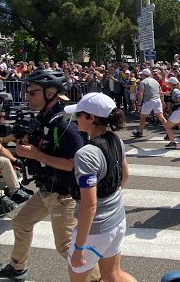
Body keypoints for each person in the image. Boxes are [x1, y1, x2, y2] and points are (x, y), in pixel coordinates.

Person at [0, 69, 102, 282]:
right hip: (46, 190)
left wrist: (36, 153)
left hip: (63, 195)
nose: (27, 97)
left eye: (32, 93)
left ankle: (97, 280)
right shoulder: (46, 118)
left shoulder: (65, 124)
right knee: (21, 223)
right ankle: (17, 267)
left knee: (67, 248)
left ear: (50, 93)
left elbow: (73, 164)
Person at [64, 93, 136, 282]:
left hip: (95, 230)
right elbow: (125, 174)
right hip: (117, 219)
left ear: (91, 118)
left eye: (79, 114)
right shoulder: (116, 140)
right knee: (113, 275)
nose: (75, 119)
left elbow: (89, 205)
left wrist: (79, 248)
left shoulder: (86, 154)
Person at [132, 69, 168, 138]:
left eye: (142, 75)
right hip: (157, 100)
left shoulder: (143, 82)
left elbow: (141, 93)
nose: (141, 76)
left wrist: (139, 103)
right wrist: (162, 101)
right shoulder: (156, 81)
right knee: (161, 117)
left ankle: (140, 132)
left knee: (143, 117)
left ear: (144, 75)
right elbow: (160, 92)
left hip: (148, 101)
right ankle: (169, 131)